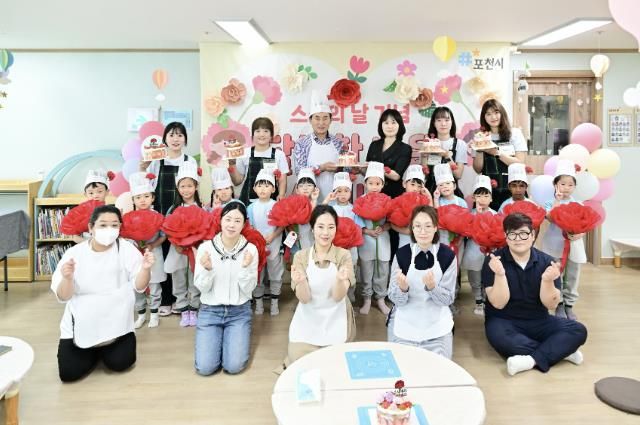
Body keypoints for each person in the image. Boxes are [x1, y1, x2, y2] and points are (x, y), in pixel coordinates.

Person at [51, 205, 155, 382]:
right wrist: (67, 278)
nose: (109, 230)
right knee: (69, 374)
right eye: (103, 225)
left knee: (121, 364)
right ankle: (91, 349)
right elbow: (63, 296)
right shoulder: (75, 253)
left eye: (114, 225)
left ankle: (105, 348)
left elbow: (139, 286)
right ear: (91, 227)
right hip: (82, 324)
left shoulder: (126, 250)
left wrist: (145, 269)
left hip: (116, 323)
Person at [482, 212, 587, 376]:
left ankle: (531, 360)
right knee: (502, 339)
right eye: (512, 234)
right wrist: (500, 275)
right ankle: (561, 351)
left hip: (538, 320)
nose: (518, 239)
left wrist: (547, 281)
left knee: (578, 330)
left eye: (523, 233)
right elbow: (498, 303)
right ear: (506, 237)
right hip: (504, 321)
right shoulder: (494, 261)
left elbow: (551, 305)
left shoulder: (547, 261)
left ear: (532, 235)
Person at [284, 205, 356, 367]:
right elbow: (304, 298)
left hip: (336, 317)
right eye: (320, 227)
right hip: (308, 318)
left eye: (331, 227)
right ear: (312, 229)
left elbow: (338, 297)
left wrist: (340, 280)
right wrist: (301, 281)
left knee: (336, 365)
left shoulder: (343, 255)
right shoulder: (301, 256)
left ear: (336, 229)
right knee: (299, 363)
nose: (326, 233)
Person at [193, 202, 258, 375]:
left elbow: (249, 289)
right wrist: (207, 269)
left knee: (234, 366)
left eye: (237, 221)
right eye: (228, 219)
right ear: (220, 220)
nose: (232, 225)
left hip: (239, 312)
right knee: (205, 368)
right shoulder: (205, 248)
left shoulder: (251, 250)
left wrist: (245, 268)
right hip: (210, 311)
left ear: (244, 224)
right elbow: (202, 287)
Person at [140, 122, 197, 316]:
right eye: (172, 135)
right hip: (159, 215)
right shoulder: (157, 160)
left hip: (181, 218)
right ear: (165, 138)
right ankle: (165, 299)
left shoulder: (189, 161)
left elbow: (192, 188)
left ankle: (181, 299)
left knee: (178, 260)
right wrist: (143, 168)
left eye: (180, 135)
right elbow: (147, 187)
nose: (175, 139)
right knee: (161, 257)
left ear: (185, 139)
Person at [387, 205, 457, 359]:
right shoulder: (402, 254)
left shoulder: (447, 256)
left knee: (440, 368)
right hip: (405, 322)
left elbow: (448, 299)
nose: (423, 231)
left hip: (437, 324)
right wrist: (403, 289)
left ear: (436, 228)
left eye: (428, 226)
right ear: (412, 228)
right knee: (402, 365)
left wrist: (433, 288)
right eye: (417, 226)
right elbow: (394, 297)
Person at [541, 159, 586, 320]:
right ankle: (559, 303)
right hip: (554, 244)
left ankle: (569, 305)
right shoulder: (549, 203)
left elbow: (585, 225)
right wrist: (557, 200)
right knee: (556, 273)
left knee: (573, 275)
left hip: (574, 244)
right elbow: (550, 217)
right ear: (555, 185)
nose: (566, 188)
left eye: (570, 185)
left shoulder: (579, 204)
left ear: (575, 187)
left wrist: (579, 234)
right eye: (563, 184)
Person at [365, 108, 412, 258]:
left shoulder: (405, 148)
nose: (390, 126)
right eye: (386, 122)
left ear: (400, 125)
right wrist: (358, 169)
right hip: (373, 196)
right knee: (373, 231)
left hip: (393, 197)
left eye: (393, 122)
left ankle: (393, 266)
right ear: (381, 125)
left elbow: (396, 175)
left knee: (392, 233)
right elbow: (368, 171)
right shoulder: (374, 145)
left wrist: (376, 167)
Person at [164, 162, 203, 327]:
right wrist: (176, 244)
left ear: (196, 186)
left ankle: (193, 308)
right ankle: (182, 308)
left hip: (195, 250)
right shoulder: (173, 208)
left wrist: (197, 245)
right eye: (182, 186)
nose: (186, 190)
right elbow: (167, 229)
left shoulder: (202, 207)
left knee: (195, 278)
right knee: (179, 279)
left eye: (189, 186)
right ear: (177, 187)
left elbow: (206, 228)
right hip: (178, 250)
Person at [472, 99, 527, 211]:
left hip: (513, 188)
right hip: (488, 192)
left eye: (496, 112)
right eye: (488, 114)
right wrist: (479, 149)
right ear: (484, 117)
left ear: (502, 113)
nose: (493, 117)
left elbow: (520, 163)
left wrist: (496, 153)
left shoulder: (514, 133)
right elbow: (478, 169)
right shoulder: (481, 137)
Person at [127, 172, 167, 328]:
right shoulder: (129, 217)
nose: (142, 200)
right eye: (138, 197)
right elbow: (126, 236)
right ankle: (141, 314)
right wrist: (135, 244)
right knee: (137, 285)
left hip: (153, 253)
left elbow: (163, 236)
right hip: (136, 255)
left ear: (152, 198)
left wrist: (152, 245)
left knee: (155, 284)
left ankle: (155, 314)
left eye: (146, 196)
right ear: (133, 200)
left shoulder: (158, 216)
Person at [247, 169, 284, 316]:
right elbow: (249, 227)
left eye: (267, 185)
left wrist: (273, 235)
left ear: (273, 189)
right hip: (257, 247)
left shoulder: (277, 206)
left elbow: (282, 225)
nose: (263, 189)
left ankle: (274, 303)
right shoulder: (250, 208)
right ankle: (259, 304)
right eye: (260, 185)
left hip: (274, 244)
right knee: (258, 274)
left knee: (275, 273)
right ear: (254, 188)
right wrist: (258, 238)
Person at [292, 90, 343, 200]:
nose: (321, 123)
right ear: (310, 120)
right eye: (317, 118)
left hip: (335, 197)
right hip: (309, 198)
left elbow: (345, 170)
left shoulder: (338, 143)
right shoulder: (302, 143)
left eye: (325, 118)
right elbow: (299, 171)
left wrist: (345, 168)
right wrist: (321, 168)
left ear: (331, 120)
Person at [323, 172, 364, 302]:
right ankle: (336, 294)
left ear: (351, 192)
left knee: (351, 268)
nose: (343, 194)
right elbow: (320, 216)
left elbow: (358, 229)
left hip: (351, 246)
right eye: (339, 191)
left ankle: (350, 293)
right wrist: (327, 200)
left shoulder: (354, 209)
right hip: (334, 246)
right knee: (335, 269)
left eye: (346, 191)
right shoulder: (331, 209)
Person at [229, 117, 289, 205]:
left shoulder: (279, 154)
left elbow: (282, 179)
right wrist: (232, 164)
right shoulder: (245, 153)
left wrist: (281, 194)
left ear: (271, 135)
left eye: (266, 131)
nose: (262, 134)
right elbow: (237, 181)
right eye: (258, 131)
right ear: (253, 134)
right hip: (247, 200)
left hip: (271, 201)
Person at [357, 161, 392, 316]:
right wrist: (367, 231)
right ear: (365, 184)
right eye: (370, 183)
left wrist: (383, 227)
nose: (374, 187)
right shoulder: (360, 201)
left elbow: (392, 221)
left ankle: (381, 299)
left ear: (382, 185)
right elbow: (356, 223)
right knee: (366, 270)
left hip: (382, 239)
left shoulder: (387, 200)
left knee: (383, 270)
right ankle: (367, 299)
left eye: (378, 183)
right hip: (367, 240)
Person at [460, 175, 495, 316]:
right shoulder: (470, 214)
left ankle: (487, 300)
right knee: (475, 277)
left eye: (486, 196)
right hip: (473, 250)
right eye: (479, 196)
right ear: (474, 198)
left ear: (491, 198)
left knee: (489, 277)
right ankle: (478, 300)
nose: (482, 199)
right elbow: (468, 232)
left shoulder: (495, 215)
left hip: (490, 251)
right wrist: (478, 217)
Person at [424, 107, 467, 194]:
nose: (443, 124)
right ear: (434, 123)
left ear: (452, 122)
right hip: (431, 191)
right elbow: (425, 173)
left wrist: (446, 156)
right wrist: (424, 154)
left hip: (451, 193)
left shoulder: (459, 144)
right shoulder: (429, 143)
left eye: (447, 120)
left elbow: (458, 175)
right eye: (439, 120)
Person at [391, 164, 433, 250]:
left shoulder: (424, 201)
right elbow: (392, 224)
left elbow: (432, 216)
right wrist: (407, 231)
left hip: (422, 240)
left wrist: (429, 196)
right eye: (412, 184)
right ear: (404, 184)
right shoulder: (398, 200)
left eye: (419, 186)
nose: (415, 189)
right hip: (404, 240)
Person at [71, 169, 111, 244]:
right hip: (86, 245)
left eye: (100, 191)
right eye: (91, 193)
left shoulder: (111, 212)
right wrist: (90, 243)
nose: (95, 195)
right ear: (85, 194)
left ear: (107, 192)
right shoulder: (80, 212)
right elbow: (75, 237)